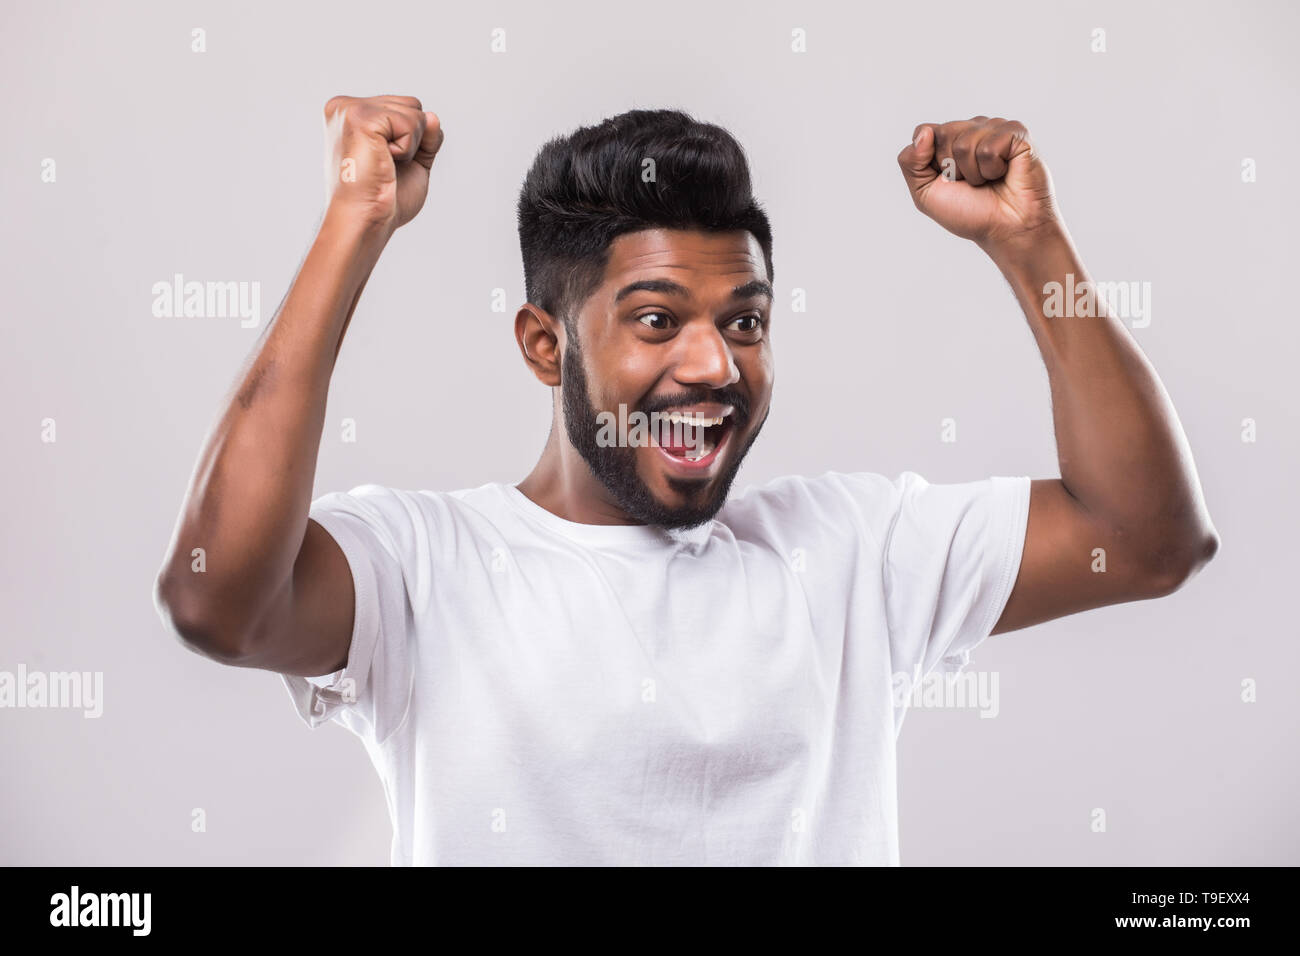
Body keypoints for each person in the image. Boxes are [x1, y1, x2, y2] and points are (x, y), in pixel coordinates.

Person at [153, 95, 1219, 865]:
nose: (715, 365)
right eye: (657, 320)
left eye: (744, 322)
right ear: (543, 344)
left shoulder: (847, 551)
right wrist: (354, 225)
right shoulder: (425, 569)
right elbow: (218, 597)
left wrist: (1032, 246)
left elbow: (1145, 536)